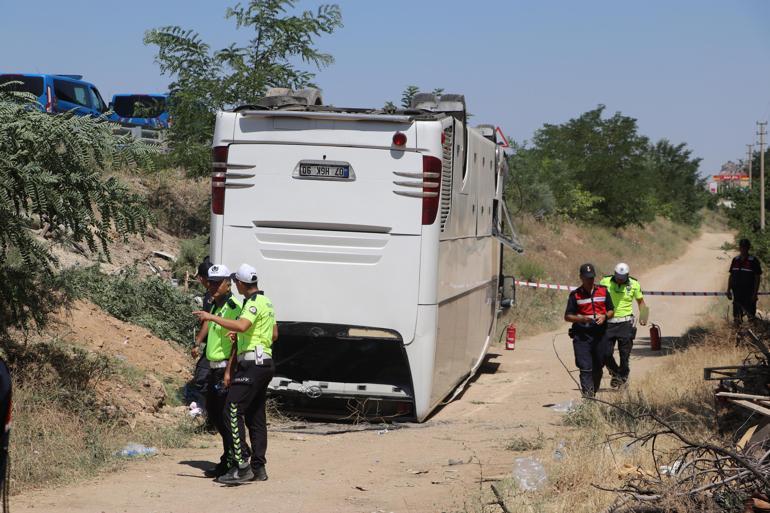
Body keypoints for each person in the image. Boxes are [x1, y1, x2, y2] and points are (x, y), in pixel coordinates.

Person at [193, 263, 278, 485]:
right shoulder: (266, 301)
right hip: (262, 361)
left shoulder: (249, 304)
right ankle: (258, 467)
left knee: (231, 409)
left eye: (217, 282)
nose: (211, 286)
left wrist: (239, 338)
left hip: (252, 363)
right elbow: (274, 333)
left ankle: (241, 466)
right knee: (256, 417)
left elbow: (241, 326)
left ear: (238, 283)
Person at [198, 264, 242, 479]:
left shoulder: (234, 306)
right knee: (214, 414)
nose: (213, 286)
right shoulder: (216, 306)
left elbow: (237, 341)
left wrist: (229, 371)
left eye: (218, 283)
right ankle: (228, 457)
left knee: (226, 416)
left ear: (228, 284)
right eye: (211, 282)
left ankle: (236, 459)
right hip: (214, 367)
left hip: (226, 368)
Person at [564, 263, 615, 397]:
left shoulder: (603, 291)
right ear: (581, 277)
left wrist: (604, 316)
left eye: (591, 277)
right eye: (586, 278)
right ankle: (589, 398)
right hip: (582, 336)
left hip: (600, 335)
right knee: (585, 367)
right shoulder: (575, 295)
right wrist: (581, 319)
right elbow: (567, 316)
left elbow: (611, 311)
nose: (589, 280)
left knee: (598, 367)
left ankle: (593, 392)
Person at [599, 263, 646, 388]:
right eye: (618, 275)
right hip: (608, 323)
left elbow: (641, 302)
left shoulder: (634, 284)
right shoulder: (605, 281)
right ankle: (616, 373)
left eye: (623, 276)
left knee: (624, 355)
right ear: (614, 273)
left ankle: (623, 376)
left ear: (627, 275)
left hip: (625, 323)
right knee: (605, 353)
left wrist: (644, 316)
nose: (620, 278)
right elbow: (597, 298)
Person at [188, 258, 213, 410]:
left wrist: (197, 343)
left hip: (216, 346)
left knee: (202, 376)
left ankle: (205, 411)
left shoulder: (211, 296)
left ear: (201, 278)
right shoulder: (215, 294)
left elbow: (208, 322)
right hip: (216, 345)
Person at [726, 238, 762, 325]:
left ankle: (752, 337)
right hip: (737, 294)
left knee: (751, 318)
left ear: (748, 248)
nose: (743, 249)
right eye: (742, 247)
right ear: (739, 248)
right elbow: (731, 276)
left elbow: (757, 278)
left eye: (745, 247)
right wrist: (728, 290)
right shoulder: (735, 260)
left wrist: (755, 294)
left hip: (749, 294)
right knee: (737, 318)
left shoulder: (753, 260)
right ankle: (738, 337)